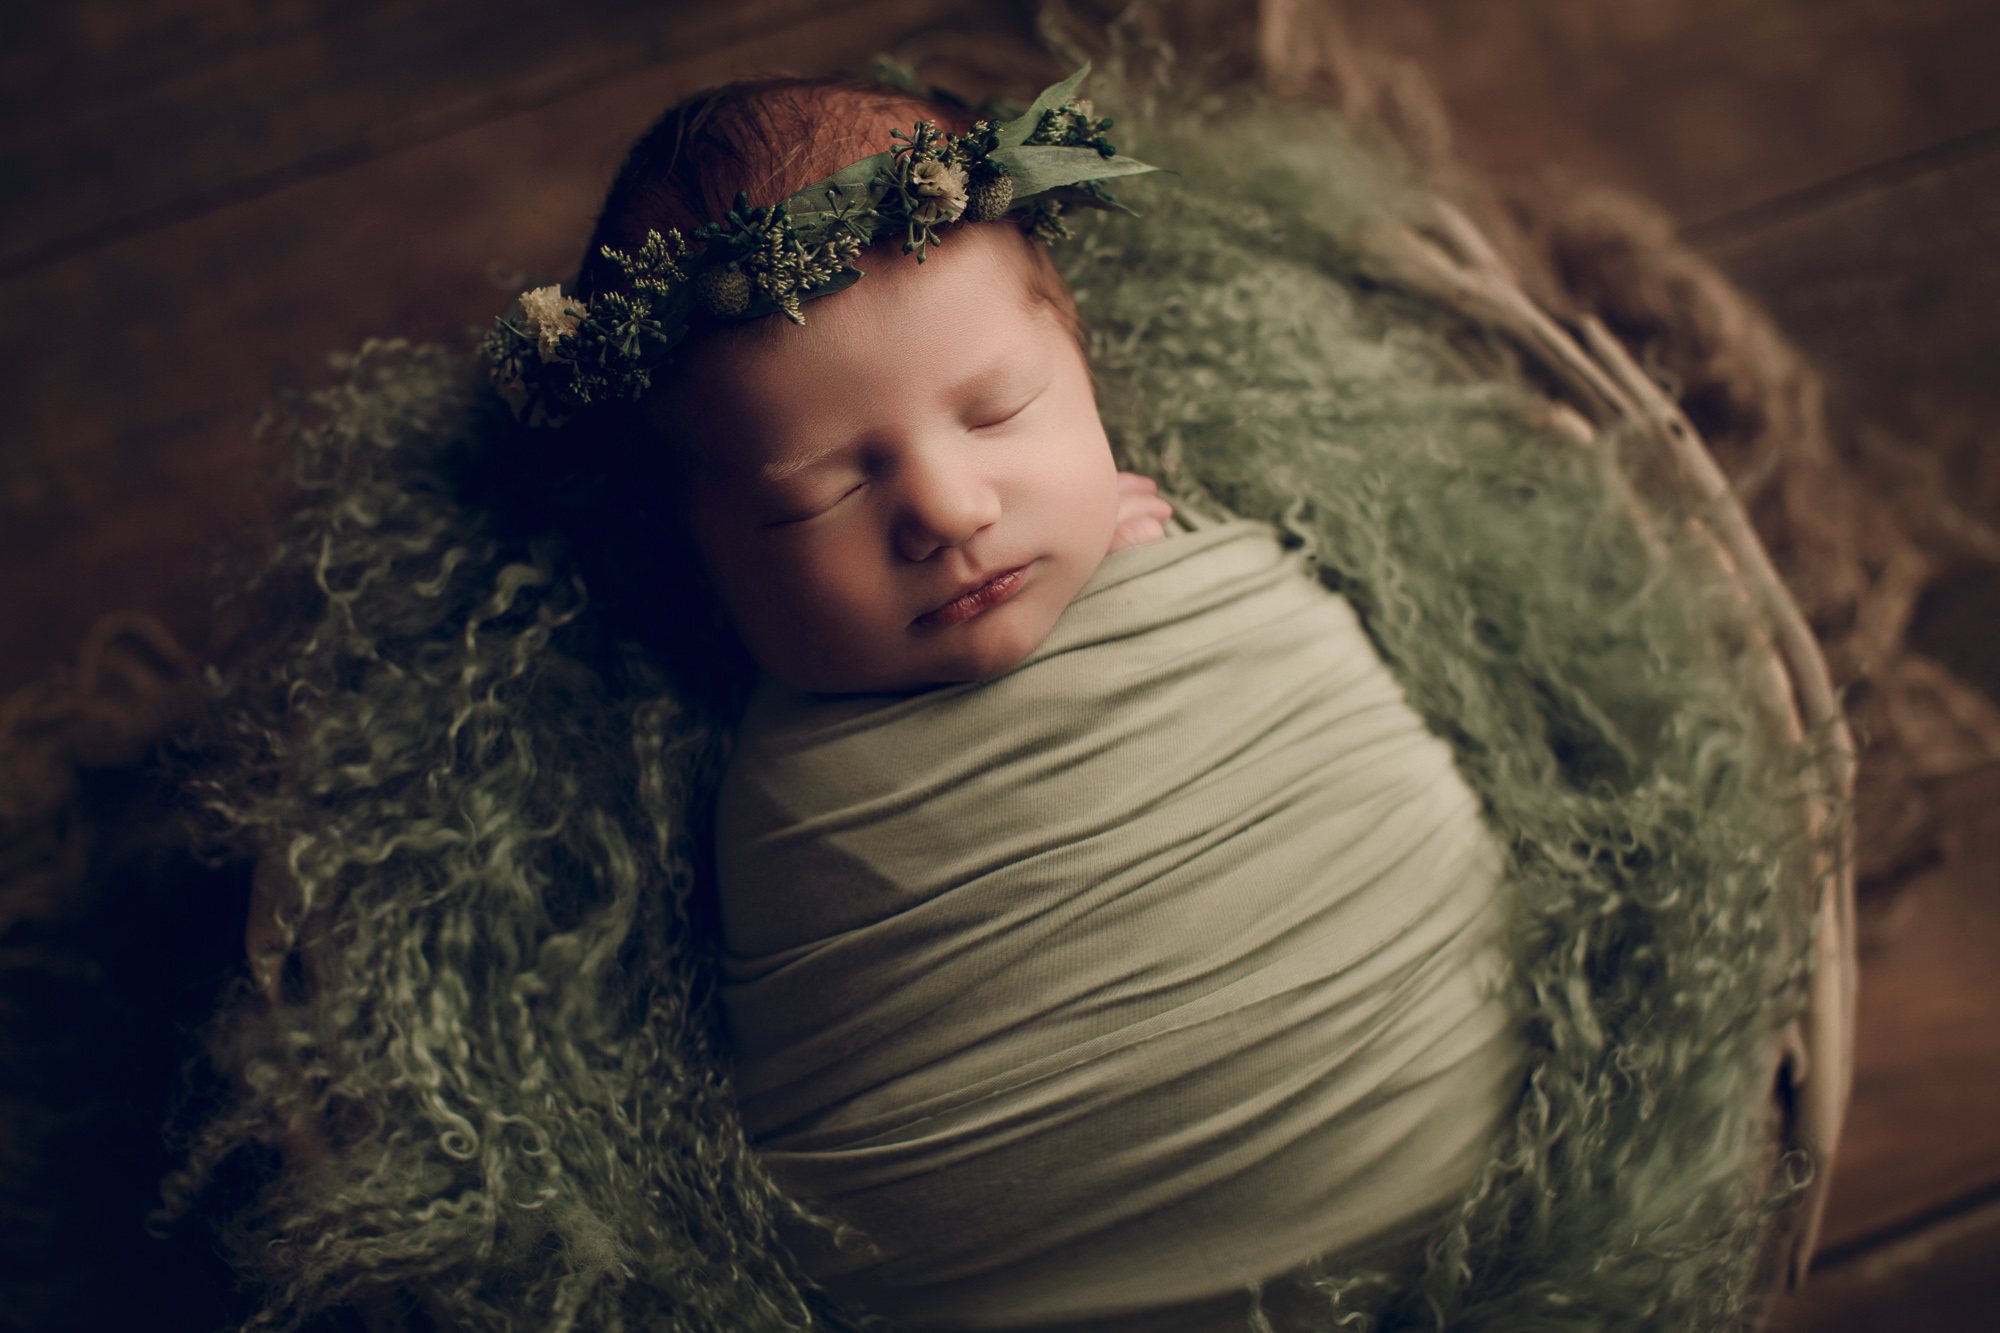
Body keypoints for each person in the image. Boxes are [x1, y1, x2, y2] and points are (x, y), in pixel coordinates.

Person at [170, 58, 1811, 1333]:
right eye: (818, 494)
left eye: (1002, 408)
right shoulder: (763, 786)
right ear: (708, 567)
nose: (945, 507)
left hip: (1432, 1123)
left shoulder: (1218, 571)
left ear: (1086, 368)